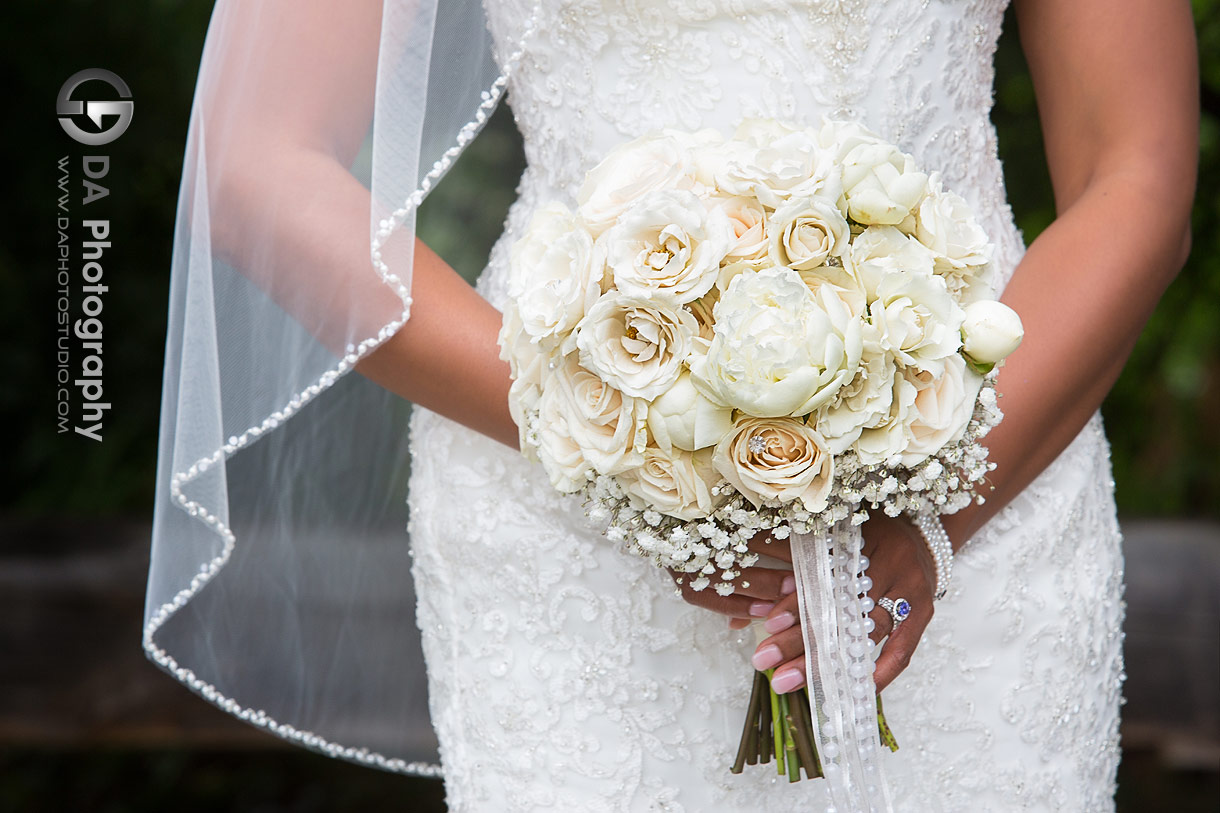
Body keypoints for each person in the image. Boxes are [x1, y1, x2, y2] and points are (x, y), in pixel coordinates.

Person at [146, 0, 1198, 810]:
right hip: (564, 502)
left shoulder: (959, 491)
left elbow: (1135, 169)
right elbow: (260, 163)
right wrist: (617, 443)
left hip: (984, 455)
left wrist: (931, 514)